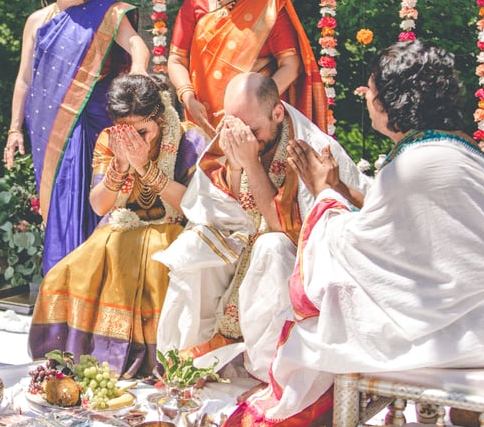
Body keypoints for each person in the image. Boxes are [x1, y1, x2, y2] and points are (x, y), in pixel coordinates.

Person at [220, 40, 484, 427]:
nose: (366, 99)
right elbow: (394, 233)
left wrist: (324, 193)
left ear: (392, 103)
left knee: (315, 328)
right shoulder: (461, 152)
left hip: (468, 334)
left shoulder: (413, 165)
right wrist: (338, 191)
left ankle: (300, 407)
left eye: (371, 92)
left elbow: (356, 250)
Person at [153, 72, 368, 381]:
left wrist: (251, 163)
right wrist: (238, 164)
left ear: (277, 113)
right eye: (233, 126)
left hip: (299, 257)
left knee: (271, 247)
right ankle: (192, 359)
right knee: (196, 242)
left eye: (251, 130)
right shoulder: (238, 131)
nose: (243, 138)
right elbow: (219, 203)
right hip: (246, 237)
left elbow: (289, 228)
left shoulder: (306, 148)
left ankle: (272, 371)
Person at [28, 75, 208, 378]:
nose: (136, 140)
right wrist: (121, 166)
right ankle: (82, 360)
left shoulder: (190, 140)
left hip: (175, 229)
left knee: (153, 261)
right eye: (127, 131)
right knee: (63, 273)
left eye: (143, 131)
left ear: (160, 117)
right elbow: (99, 206)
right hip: (120, 227)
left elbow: (192, 205)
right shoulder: (110, 140)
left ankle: (157, 361)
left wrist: (145, 168)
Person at [3, 0, 150, 274]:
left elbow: (136, 45)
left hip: (99, 124)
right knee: (61, 207)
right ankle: (64, 290)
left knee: (102, 200)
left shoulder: (107, 13)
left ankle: (101, 290)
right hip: (51, 133)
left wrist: (139, 71)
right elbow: (24, 80)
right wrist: (14, 128)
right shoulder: (37, 22)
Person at [167, 0, 327, 136]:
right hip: (202, 117)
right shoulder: (196, 2)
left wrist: (258, 104)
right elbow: (177, 59)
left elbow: (290, 65)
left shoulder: (268, 5)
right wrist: (187, 96)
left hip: (255, 125)